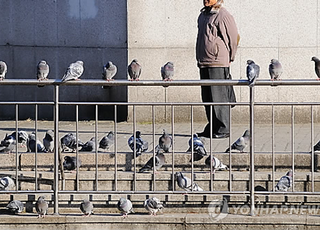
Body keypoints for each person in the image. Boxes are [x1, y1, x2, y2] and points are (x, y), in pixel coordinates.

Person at [196, 0, 239, 138]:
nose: (206, 0)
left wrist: (231, 57)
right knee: (207, 97)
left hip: (218, 62)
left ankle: (223, 129)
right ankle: (212, 127)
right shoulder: (203, 15)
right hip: (204, 61)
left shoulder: (223, 15)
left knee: (219, 97)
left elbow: (233, 38)